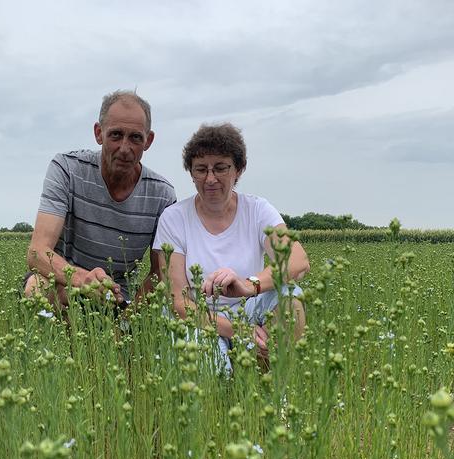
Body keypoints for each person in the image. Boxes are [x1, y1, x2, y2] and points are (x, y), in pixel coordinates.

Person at [153, 123, 309, 368]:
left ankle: (273, 381)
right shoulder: (174, 218)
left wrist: (248, 286)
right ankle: (225, 375)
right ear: (191, 173)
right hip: (200, 317)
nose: (210, 178)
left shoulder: (257, 210)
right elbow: (178, 302)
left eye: (221, 168)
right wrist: (237, 330)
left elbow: (298, 262)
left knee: (291, 298)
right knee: (210, 370)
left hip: (249, 308)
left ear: (239, 169)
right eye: (201, 169)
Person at [24, 90, 176, 307]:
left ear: (148, 141)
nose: (125, 148)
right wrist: (82, 280)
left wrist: (127, 319)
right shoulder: (67, 168)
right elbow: (37, 252)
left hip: (118, 297)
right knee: (36, 288)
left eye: (135, 138)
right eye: (115, 135)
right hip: (65, 285)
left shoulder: (162, 195)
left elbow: (160, 272)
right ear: (99, 133)